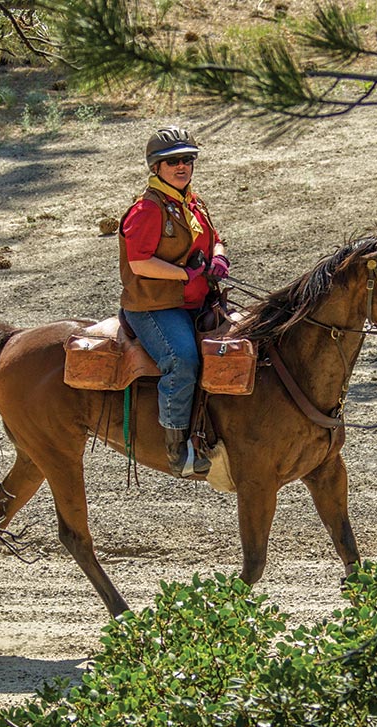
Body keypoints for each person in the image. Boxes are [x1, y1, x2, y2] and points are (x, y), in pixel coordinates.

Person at [118, 126, 231, 478]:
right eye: (172, 162)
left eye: (187, 160)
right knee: (181, 360)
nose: (181, 167)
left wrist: (219, 257)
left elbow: (216, 240)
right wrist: (187, 275)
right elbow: (139, 263)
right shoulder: (147, 211)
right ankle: (177, 448)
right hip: (154, 306)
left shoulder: (194, 203)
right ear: (156, 168)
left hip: (196, 301)